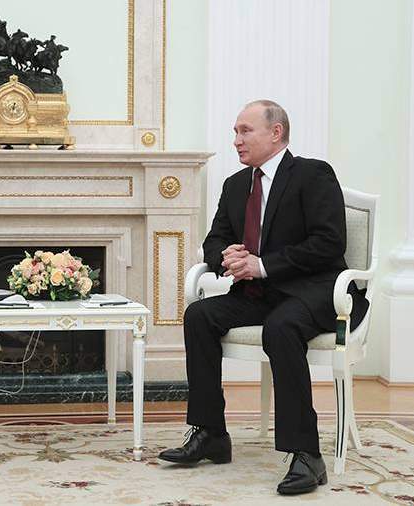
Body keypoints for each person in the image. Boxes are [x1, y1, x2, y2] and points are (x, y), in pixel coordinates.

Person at [157, 100, 368, 495]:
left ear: (276, 132)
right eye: (235, 132)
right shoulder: (236, 185)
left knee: (280, 327)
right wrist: (227, 256)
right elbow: (214, 240)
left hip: (316, 292)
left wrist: (263, 265)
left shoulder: (313, 174)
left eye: (245, 131)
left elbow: (328, 243)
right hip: (259, 294)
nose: (236, 140)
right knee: (199, 316)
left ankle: (307, 454)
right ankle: (211, 433)